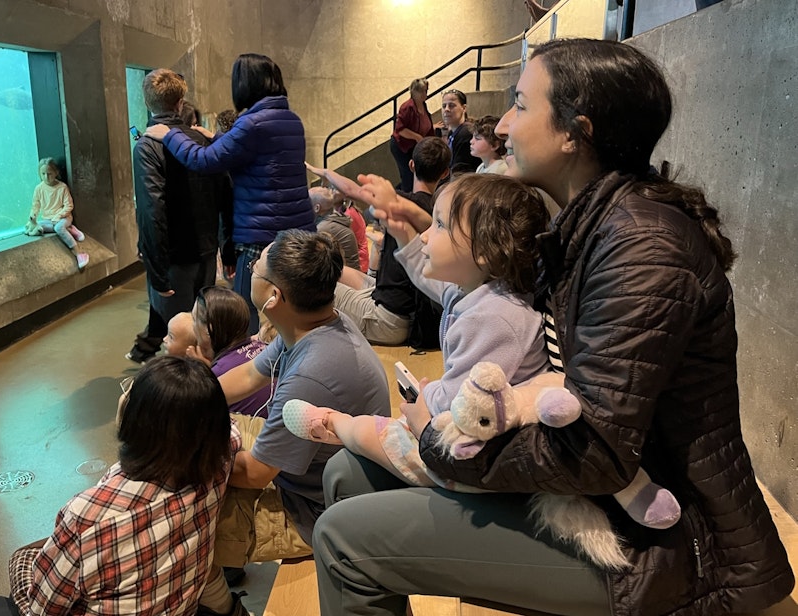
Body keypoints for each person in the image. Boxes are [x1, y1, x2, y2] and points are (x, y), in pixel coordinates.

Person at [312, 38, 795, 616]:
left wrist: (441, 439)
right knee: (347, 473)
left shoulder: (642, 246)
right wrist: (417, 221)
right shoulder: (591, 224)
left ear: (574, 132)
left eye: (520, 104)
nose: (505, 125)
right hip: (589, 496)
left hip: (664, 542)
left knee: (343, 541)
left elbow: (598, 454)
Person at [283, 173, 550, 481]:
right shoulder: (481, 292)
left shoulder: (495, 318)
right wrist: (403, 234)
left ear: (484, 250)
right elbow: (430, 282)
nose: (425, 236)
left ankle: (335, 424)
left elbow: (459, 400)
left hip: (479, 454)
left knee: (375, 430)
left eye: (440, 225)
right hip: (475, 430)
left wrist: (423, 398)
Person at [196, 229, 390, 613]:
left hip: (315, 508)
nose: (251, 266)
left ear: (274, 297)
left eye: (258, 266)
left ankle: (220, 605)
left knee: (185, 523)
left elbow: (254, 474)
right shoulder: (312, 323)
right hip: (303, 476)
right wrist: (185, 403)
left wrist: (186, 455)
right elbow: (251, 374)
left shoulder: (310, 375)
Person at [0, 356, 247, 616]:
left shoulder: (88, 514)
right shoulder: (218, 465)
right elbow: (229, 430)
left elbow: (44, 610)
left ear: (132, 419)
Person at [145, 53, 315, 335]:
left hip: (261, 235)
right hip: (297, 231)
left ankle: (256, 373)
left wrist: (170, 135)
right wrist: (215, 137)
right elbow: (252, 152)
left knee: (250, 313)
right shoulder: (289, 119)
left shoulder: (252, 124)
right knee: (288, 311)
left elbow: (205, 161)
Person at [126, 69, 234, 364]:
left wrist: (157, 269)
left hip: (174, 259)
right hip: (207, 254)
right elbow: (226, 194)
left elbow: (152, 210)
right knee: (204, 336)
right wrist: (228, 249)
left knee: (177, 343)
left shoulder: (148, 145)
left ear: (147, 104)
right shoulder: (203, 139)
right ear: (180, 102)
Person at [307, 137, 450, 347]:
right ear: (445, 173)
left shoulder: (399, 203)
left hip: (391, 320)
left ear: (411, 165)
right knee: (340, 272)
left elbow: (352, 190)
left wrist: (326, 172)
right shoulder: (439, 212)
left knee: (306, 284)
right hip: (400, 305)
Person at [163, 286, 274, 419]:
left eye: (194, 319)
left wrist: (201, 375)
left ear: (209, 330)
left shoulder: (219, 373)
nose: (192, 326)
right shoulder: (264, 347)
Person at [26, 158, 88, 270]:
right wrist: (33, 216)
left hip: (64, 217)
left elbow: (69, 205)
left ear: (56, 173)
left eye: (49, 173)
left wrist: (58, 216)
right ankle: (70, 229)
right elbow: (35, 206)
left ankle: (78, 253)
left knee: (59, 228)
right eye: (43, 174)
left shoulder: (62, 187)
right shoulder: (39, 188)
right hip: (48, 220)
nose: (46, 177)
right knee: (33, 227)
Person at [390, 78, 433, 192]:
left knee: (414, 174)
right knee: (408, 175)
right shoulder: (407, 107)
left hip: (413, 146)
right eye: (423, 91)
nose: (426, 94)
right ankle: (403, 198)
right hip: (401, 146)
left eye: (426, 91)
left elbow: (425, 124)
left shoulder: (423, 105)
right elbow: (400, 129)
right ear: (415, 92)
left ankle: (399, 193)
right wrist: (417, 137)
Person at [309, 186, 360, 271]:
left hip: (345, 278)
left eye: (306, 201)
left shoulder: (323, 228)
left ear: (317, 208)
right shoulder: (333, 219)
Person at [435, 90, 481, 174]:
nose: (446, 109)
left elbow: (459, 173)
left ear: (464, 108)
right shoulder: (452, 133)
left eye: (451, 105)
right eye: (444, 106)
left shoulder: (466, 133)